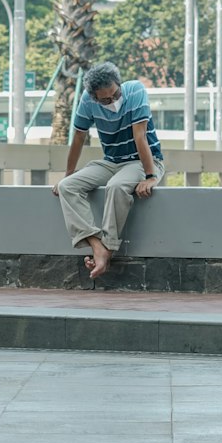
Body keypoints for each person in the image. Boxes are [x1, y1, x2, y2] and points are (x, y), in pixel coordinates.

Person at [52, 61, 165, 279]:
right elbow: (78, 137)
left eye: (115, 94)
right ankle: (97, 246)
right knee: (68, 187)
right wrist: (68, 174)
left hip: (142, 161)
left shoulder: (135, 91)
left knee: (116, 187)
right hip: (112, 161)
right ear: (94, 97)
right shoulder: (87, 100)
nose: (113, 101)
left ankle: (108, 249)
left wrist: (151, 176)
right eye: (105, 100)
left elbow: (139, 136)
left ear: (119, 84)